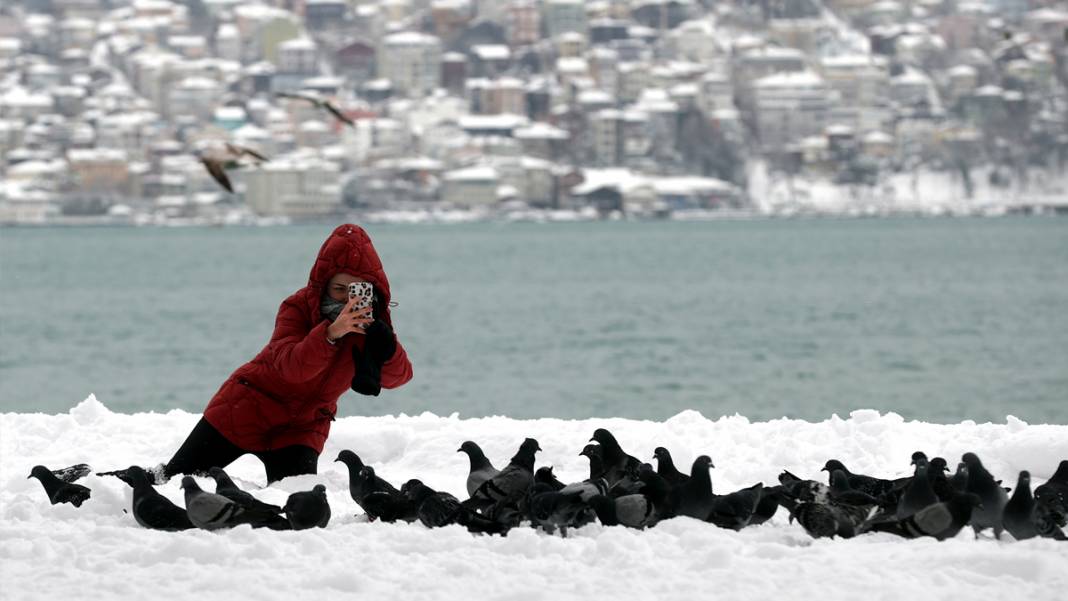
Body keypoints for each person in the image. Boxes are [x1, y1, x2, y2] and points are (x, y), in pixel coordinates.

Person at [150, 224, 412, 483]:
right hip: (245, 410)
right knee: (171, 481)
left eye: (356, 290)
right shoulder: (298, 307)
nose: (346, 299)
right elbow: (292, 368)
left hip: (301, 430)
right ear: (324, 286)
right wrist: (331, 333)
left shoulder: (373, 325)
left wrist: (387, 347)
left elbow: (397, 378)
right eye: (339, 289)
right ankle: (125, 487)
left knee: (300, 503)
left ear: (370, 290)